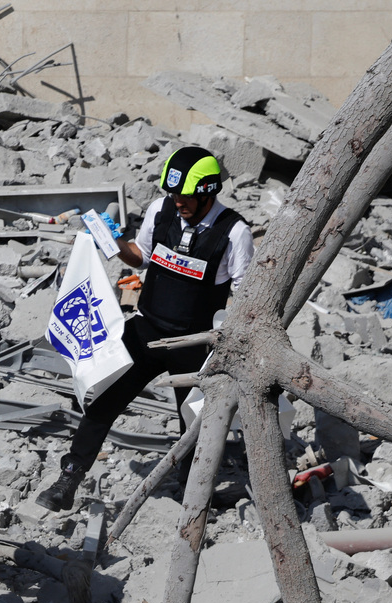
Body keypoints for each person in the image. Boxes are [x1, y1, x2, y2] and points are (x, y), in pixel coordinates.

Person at [35, 146, 254, 511]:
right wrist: (111, 242)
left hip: (194, 344)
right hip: (147, 330)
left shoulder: (234, 232)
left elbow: (246, 297)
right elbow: (141, 257)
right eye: (174, 194)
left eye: (186, 197)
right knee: (104, 402)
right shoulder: (161, 210)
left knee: (195, 422)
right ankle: (68, 479)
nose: (178, 202)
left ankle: (193, 495)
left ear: (207, 194)